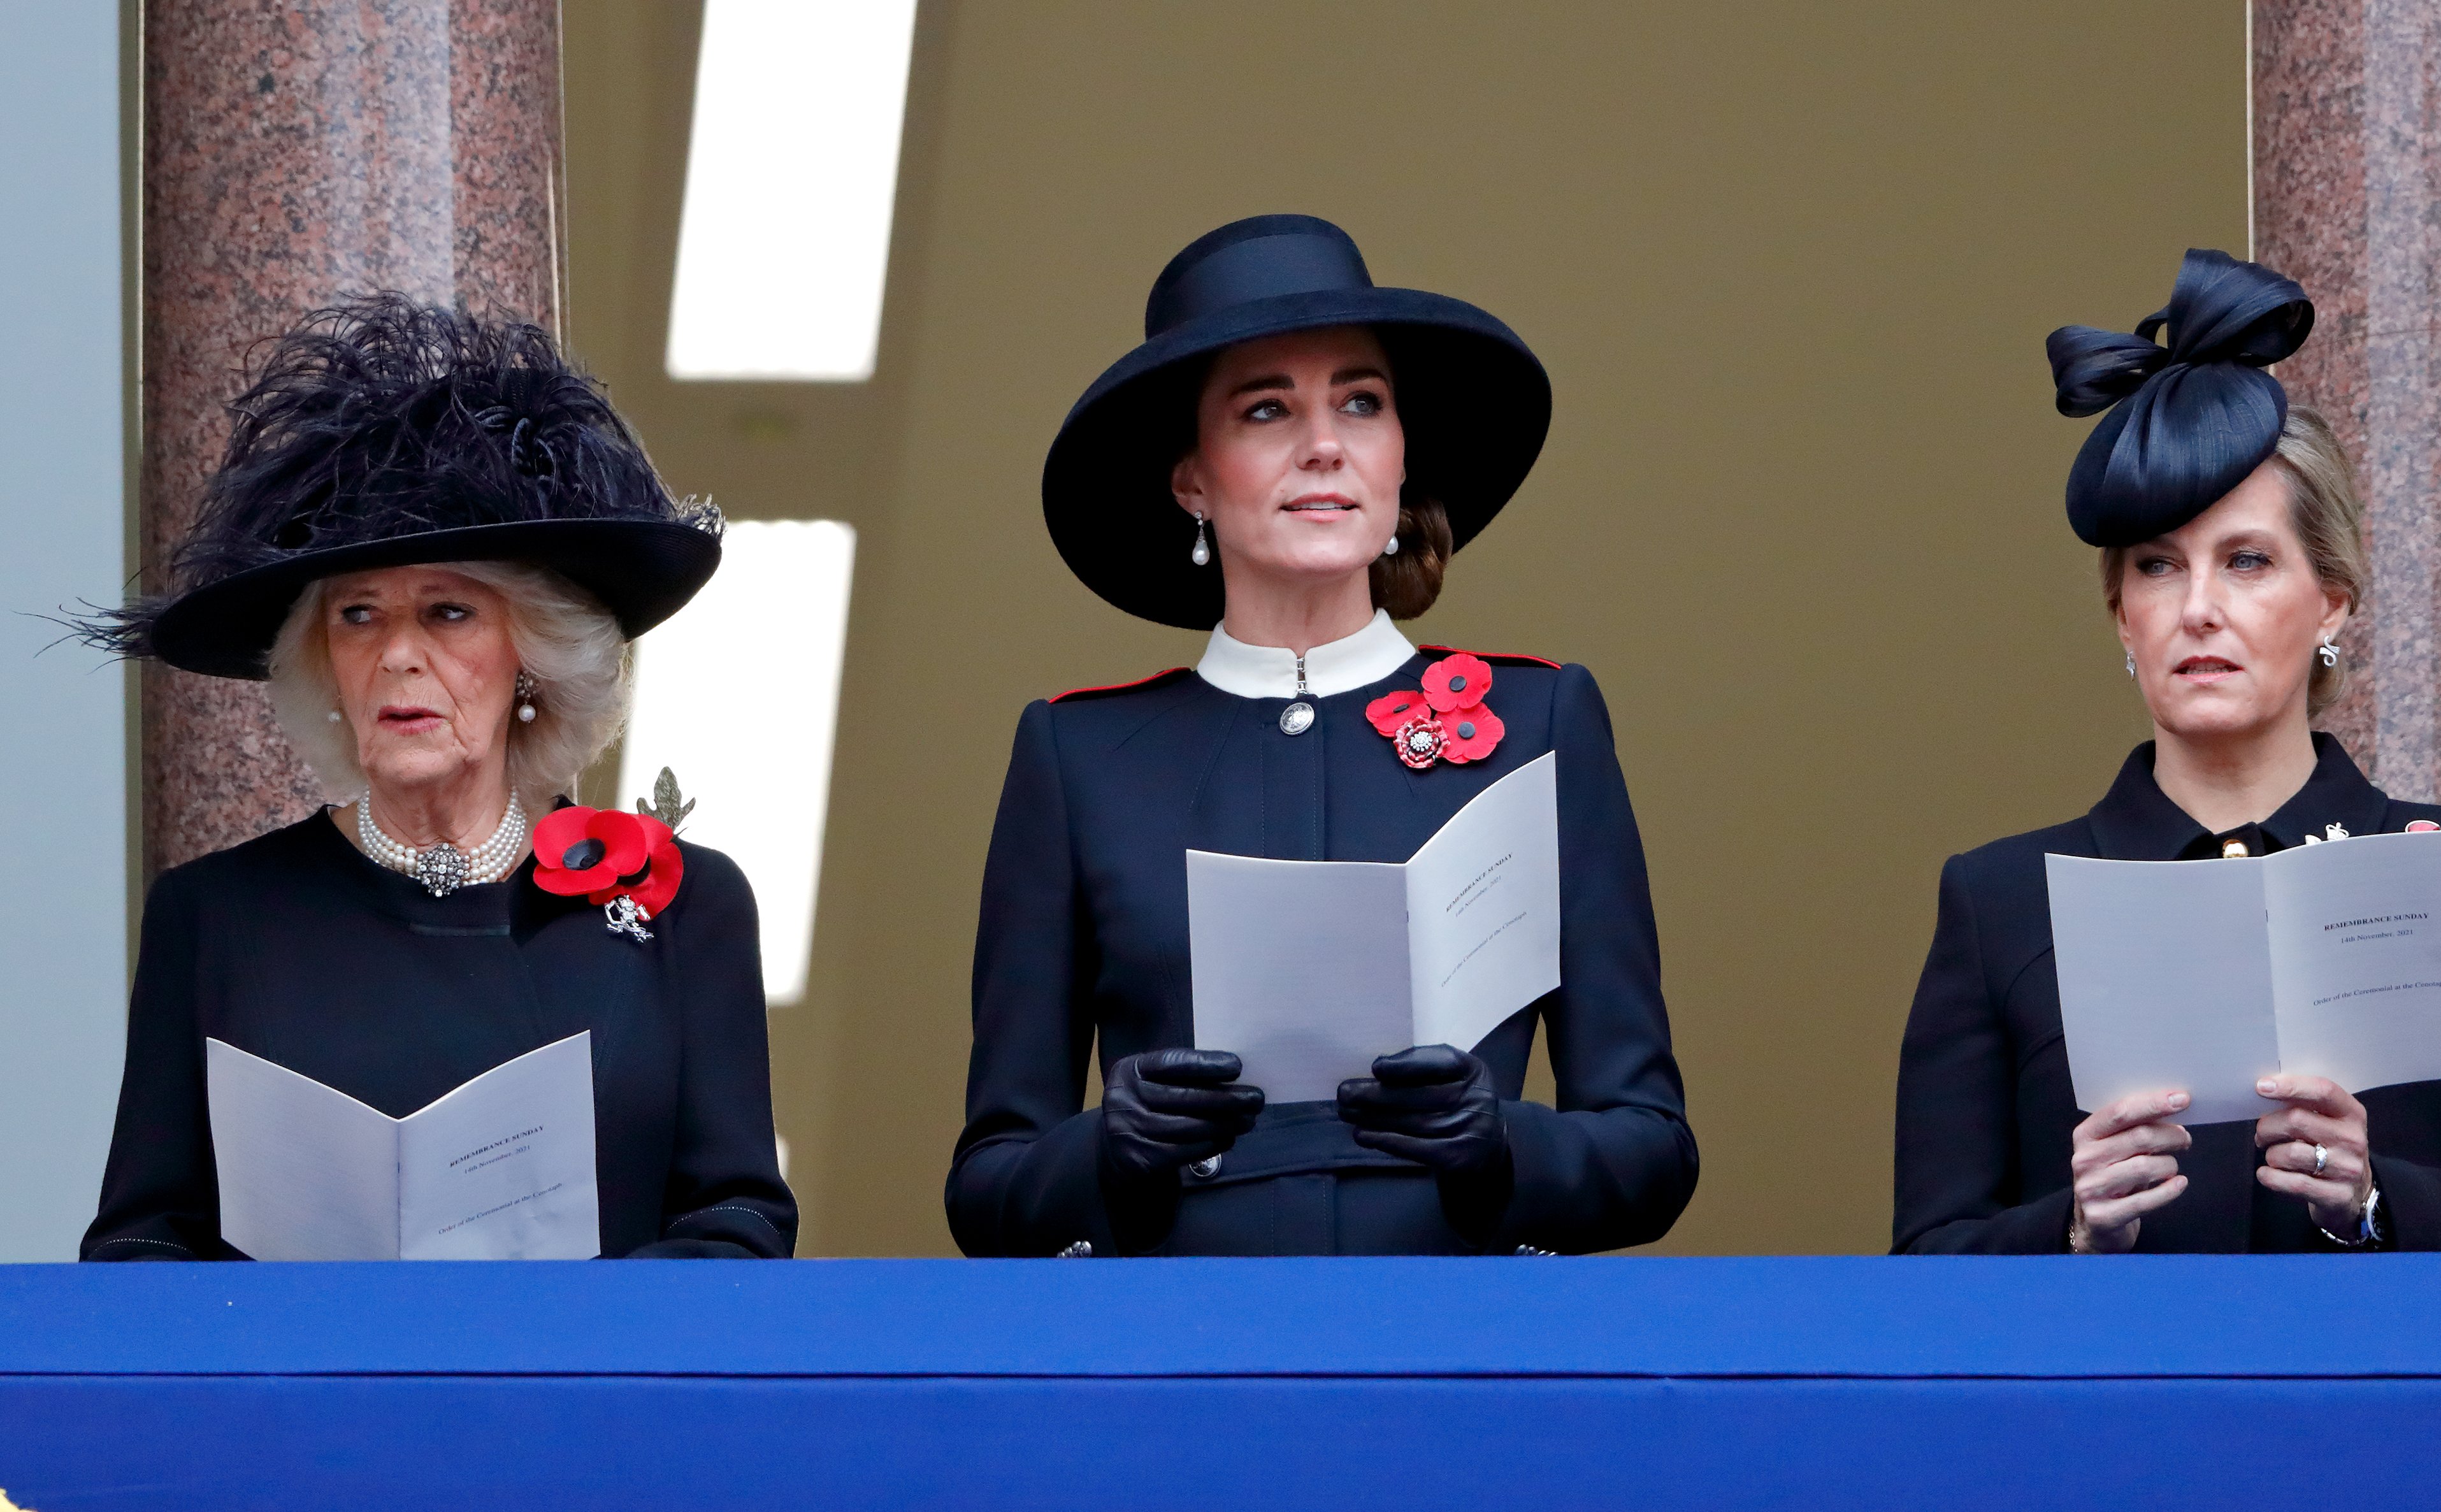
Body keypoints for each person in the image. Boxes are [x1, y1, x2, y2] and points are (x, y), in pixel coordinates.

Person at [949, 215, 1697, 1256]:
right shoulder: (1079, 755)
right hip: (1183, 1367)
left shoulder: (1540, 722)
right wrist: (1106, 1149)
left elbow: (1651, 1145)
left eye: (1361, 401)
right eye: (1266, 409)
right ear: (1192, 480)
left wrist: (1502, 1145)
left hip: (1460, 1363)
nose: (1324, 443)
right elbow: (987, 1184)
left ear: (1399, 457)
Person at [1892, 249, 2441, 1254]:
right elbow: (1922, 1271)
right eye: (2157, 566)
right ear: (2120, 615)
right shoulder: (1999, 898)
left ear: (2330, 598)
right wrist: (2067, 1230)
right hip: (2108, 1409)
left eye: (2245, 561)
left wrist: (2377, 1201)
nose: (2197, 608)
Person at [80, 296, 795, 1260]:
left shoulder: (687, 906)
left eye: (449, 612)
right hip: (301, 1405)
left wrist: (539, 1334)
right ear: (321, 662)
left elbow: (738, 1227)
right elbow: (139, 1248)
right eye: (359, 615)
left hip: (583, 1400)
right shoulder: (213, 916)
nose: (398, 655)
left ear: (529, 656)